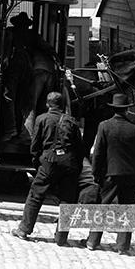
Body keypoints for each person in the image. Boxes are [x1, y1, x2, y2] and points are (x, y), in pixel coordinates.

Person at [11, 92, 85, 240]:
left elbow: (35, 146)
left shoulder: (42, 119)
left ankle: (24, 229)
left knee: (35, 195)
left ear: (47, 104)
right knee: (67, 200)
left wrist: (37, 162)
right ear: (63, 105)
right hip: (69, 163)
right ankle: (62, 237)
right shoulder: (71, 121)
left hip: (48, 162)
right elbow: (80, 148)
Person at [85, 92, 135, 253]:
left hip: (110, 174)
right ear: (127, 110)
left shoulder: (104, 126)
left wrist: (96, 174)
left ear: (113, 109)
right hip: (131, 174)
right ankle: (122, 246)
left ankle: (93, 241)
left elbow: (98, 153)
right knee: (127, 209)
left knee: (102, 207)